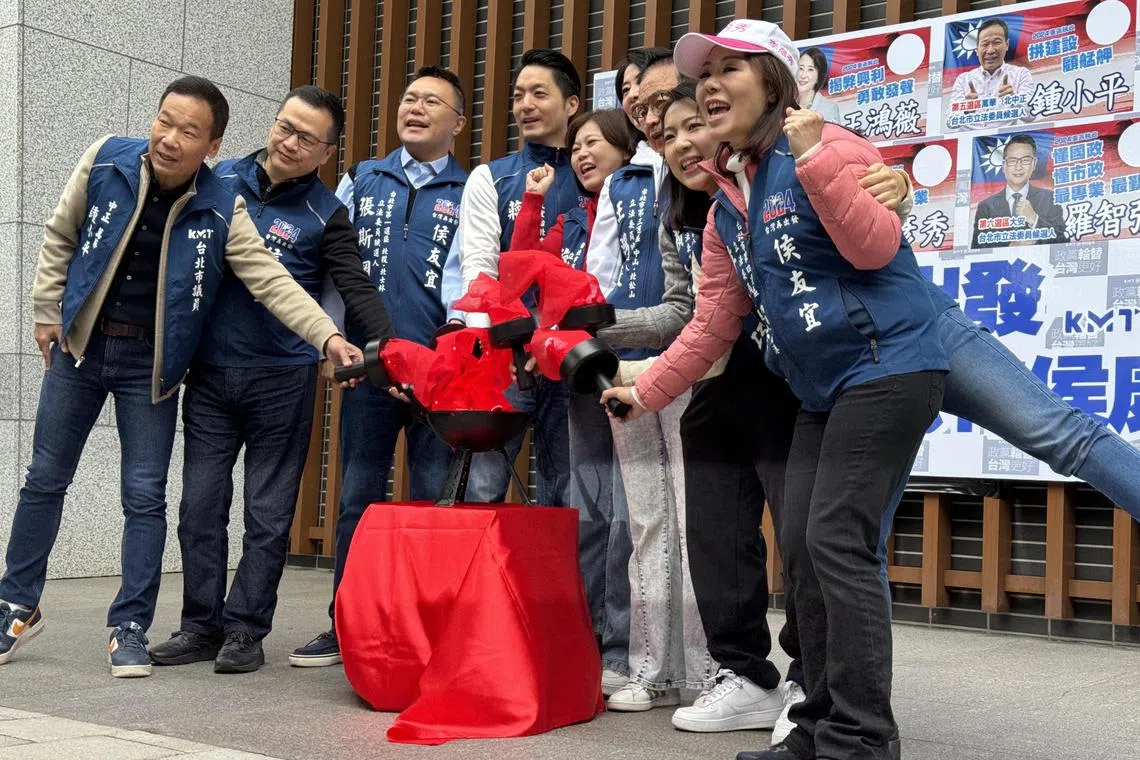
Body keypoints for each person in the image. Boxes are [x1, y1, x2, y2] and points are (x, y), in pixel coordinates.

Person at [605, 19, 948, 760]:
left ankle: (860, 738)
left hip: (889, 367)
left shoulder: (831, 145)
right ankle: (816, 726)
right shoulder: (729, 204)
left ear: (776, 84)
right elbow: (711, 322)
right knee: (801, 545)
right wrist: (647, 391)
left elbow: (876, 243)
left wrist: (818, 156)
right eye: (706, 74)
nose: (711, 85)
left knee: (832, 540)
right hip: (828, 389)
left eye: (732, 69)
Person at [0, 75, 359, 677]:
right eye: (164, 120)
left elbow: (272, 280)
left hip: (152, 366)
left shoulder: (224, 204)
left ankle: (130, 626)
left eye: (188, 131)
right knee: (44, 478)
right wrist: (46, 310)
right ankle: (15, 602)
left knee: (145, 496)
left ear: (212, 145)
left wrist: (327, 335)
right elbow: (60, 236)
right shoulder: (106, 157)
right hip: (81, 351)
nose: (168, 138)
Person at [146, 86, 393, 675]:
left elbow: (352, 284)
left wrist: (387, 341)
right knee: (200, 506)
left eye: (306, 138)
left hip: (282, 378)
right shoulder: (219, 177)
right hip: (209, 373)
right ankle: (200, 625)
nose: (288, 142)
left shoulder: (328, 213)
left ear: (327, 152)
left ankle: (246, 630)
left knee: (268, 512)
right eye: (285, 126)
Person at [289, 66, 470, 668]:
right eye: (408, 96)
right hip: (366, 369)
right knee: (356, 499)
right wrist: (330, 341)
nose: (415, 107)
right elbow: (330, 264)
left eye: (431, 101)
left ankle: (424, 628)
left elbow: (473, 284)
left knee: (430, 502)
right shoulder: (362, 179)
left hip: (440, 378)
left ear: (458, 122)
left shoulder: (471, 192)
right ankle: (348, 622)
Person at [509, 109, 639, 696]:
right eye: (577, 146)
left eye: (595, 143)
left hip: (635, 372)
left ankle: (624, 644)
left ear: (626, 149)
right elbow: (523, 270)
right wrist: (535, 203)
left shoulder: (643, 206)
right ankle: (589, 639)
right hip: (579, 379)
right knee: (590, 514)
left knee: (627, 518)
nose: (582, 154)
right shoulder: (570, 219)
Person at [451, 49, 585, 506]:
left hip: (574, 355)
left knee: (569, 489)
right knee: (482, 485)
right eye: (518, 95)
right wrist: (492, 349)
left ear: (571, 105)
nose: (525, 104)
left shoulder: (595, 174)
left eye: (538, 94)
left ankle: (557, 580)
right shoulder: (491, 177)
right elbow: (479, 271)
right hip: (508, 357)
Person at [971, 133, 1067, 248]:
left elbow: (1063, 241)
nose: (1018, 166)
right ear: (1003, 166)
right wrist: (1010, 247)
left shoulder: (1050, 198)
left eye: (1025, 160)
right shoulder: (986, 206)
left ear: (1034, 164)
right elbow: (977, 249)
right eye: (1012, 160)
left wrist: (1034, 219)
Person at [947, 17, 1034, 130]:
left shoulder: (1021, 74)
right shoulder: (963, 79)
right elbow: (949, 121)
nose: (990, 50)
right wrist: (966, 108)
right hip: (969, 142)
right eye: (985, 44)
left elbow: (1031, 115)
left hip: (1003, 141)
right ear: (977, 49)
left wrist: (1013, 98)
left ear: (1007, 45)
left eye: (996, 43)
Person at [795, 48, 840, 124]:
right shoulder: (785, 103)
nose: (803, 75)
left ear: (819, 77)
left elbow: (834, 135)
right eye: (801, 68)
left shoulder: (829, 108)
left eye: (810, 70)